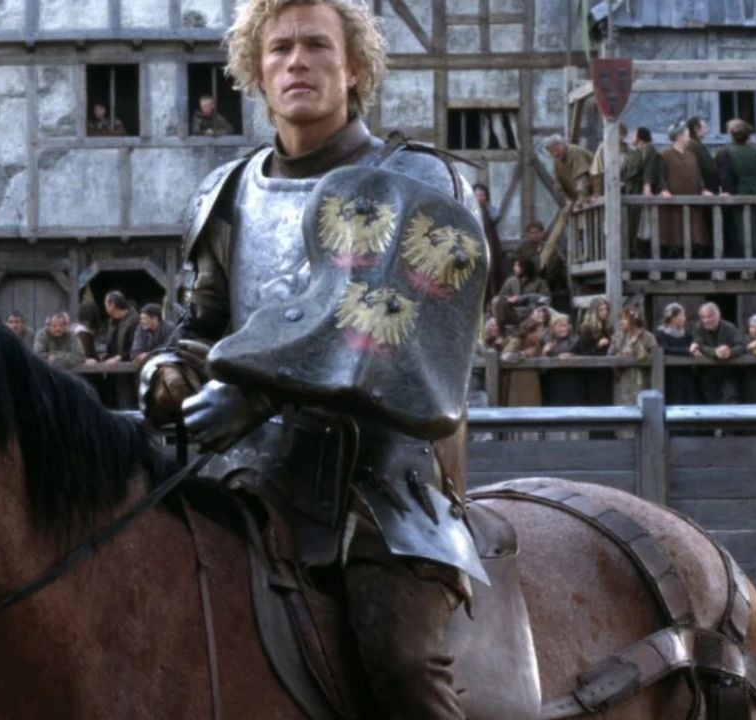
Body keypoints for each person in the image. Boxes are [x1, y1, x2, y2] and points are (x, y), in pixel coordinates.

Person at [144, 1, 488, 714]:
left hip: (382, 477)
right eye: (279, 49)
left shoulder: (420, 181)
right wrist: (170, 371)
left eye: (316, 45)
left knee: (401, 659)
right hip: (239, 471)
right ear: (256, 72)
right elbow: (206, 324)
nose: (296, 61)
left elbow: (397, 334)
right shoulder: (227, 192)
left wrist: (253, 395)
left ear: (355, 67)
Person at [716, 119, 756, 258]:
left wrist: (727, 191)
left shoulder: (728, 152)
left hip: (742, 190)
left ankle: (751, 257)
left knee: (745, 227)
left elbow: (726, 176)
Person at [659, 121, 714, 257]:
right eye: (687, 135)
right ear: (679, 137)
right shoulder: (665, 155)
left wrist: (702, 190)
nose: (689, 139)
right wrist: (664, 189)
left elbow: (698, 175)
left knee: (695, 232)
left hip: (692, 200)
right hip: (674, 202)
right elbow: (660, 175)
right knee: (675, 232)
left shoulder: (692, 155)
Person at [690, 302, 745, 404]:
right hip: (707, 374)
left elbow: (741, 345)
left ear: (718, 315)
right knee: (712, 405)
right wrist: (714, 352)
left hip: (728, 373)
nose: (706, 320)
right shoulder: (698, 327)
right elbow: (698, 345)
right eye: (703, 317)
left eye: (709, 316)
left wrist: (730, 352)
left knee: (731, 401)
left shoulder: (729, 327)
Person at [608, 307, 657, 406]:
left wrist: (638, 351)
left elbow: (655, 357)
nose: (621, 322)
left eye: (625, 319)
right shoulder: (618, 337)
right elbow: (609, 356)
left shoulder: (648, 337)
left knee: (642, 405)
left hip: (642, 377)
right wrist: (622, 354)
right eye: (621, 319)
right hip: (623, 378)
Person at [655, 302, 699, 405]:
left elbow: (693, 344)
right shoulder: (661, 333)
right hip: (671, 374)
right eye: (681, 315)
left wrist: (694, 349)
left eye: (684, 315)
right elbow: (665, 349)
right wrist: (687, 351)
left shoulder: (686, 333)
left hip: (686, 372)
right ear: (672, 317)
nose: (684, 318)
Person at [492, 257, 549, 329]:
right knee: (497, 300)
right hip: (513, 312)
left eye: (517, 265)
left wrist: (523, 298)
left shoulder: (539, 282)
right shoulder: (511, 281)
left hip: (530, 313)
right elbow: (501, 295)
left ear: (524, 267)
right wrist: (509, 299)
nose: (514, 268)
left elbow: (546, 299)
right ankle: (500, 329)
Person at [632, 126, 664, 256]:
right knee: (638, 226)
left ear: (640, 138)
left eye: (634, 135)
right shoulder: (638, 152)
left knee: (644, 226)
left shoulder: (649, 150)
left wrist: (647, 186)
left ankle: (643, 254)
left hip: (642, 192)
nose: (632, 138)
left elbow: (649, 169)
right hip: (635, 190)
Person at [472, 183, 506, 301]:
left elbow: (496, 216)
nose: (479, 198)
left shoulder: (489, 211)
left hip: (490, 242)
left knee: (492, 269)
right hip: (474, 243)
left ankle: (492, 297)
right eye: (477, 195)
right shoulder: (470, 210)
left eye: (482, 195)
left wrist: (486, 207)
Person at [588, 122, 640, 196]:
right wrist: (597, 191)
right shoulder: (604, 149)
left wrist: (625, 183)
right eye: (618, 134)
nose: (619, 137)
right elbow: (597, 171)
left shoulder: (629, 152)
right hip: (606, 189)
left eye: (622, 134)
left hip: (624, 190)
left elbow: (632, 173)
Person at [545, 134, 593, 205]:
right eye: (552, 152)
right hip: (578, 199)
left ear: (563, 144)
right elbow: (559, 186)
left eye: (557, 150)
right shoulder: (557, 161)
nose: (555, 154)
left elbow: (581, 177)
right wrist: (568, 201)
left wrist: (582, 197)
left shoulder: (574, 151)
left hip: (595, 193)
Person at [130, 303, 174, 367]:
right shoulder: (140, 329)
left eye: (144, 319)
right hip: (146, 366)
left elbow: (170, 349)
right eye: (141, 319)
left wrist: (148, 355)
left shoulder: (169, 328)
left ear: (155, 319)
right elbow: (135, 353)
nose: (141, 321)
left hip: (166, 364)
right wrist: (141, 356)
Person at [101, 291, 138, 364]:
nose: (105, 307)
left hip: (129, 366)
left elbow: (135, 348)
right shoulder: (111, 322)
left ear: (112, 305)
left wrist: (120, 357)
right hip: (112, 365)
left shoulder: (134, 321)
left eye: (106, 305)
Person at [686, 116, 720, 193]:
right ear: (696, 128)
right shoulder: (694, 146)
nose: (706, 130)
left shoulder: (696, 145)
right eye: (704, 127)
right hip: (705, 189)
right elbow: (707, 168)